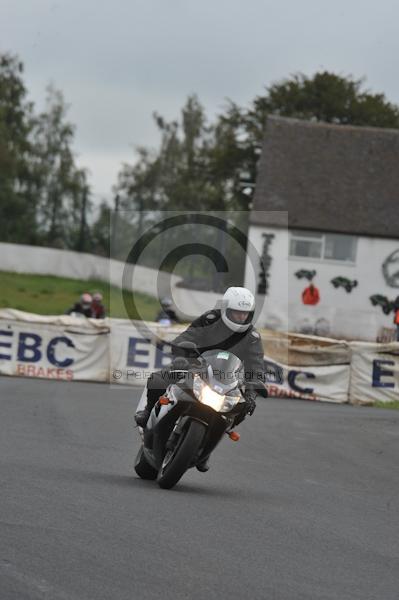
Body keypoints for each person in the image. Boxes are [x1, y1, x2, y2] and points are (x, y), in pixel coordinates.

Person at [135, 286, 266, 471]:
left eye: (245, 314)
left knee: (243, 405)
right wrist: (181, 356)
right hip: (196, 367)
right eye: (236, 313)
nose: (241, 317)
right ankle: (148, 412)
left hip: (227, 379)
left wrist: (253, 391)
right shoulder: (209, 319)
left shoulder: (252, 336)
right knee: (159, 380)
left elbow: (256, 365)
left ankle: (208, 445)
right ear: (226, 309)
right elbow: (186, 337)